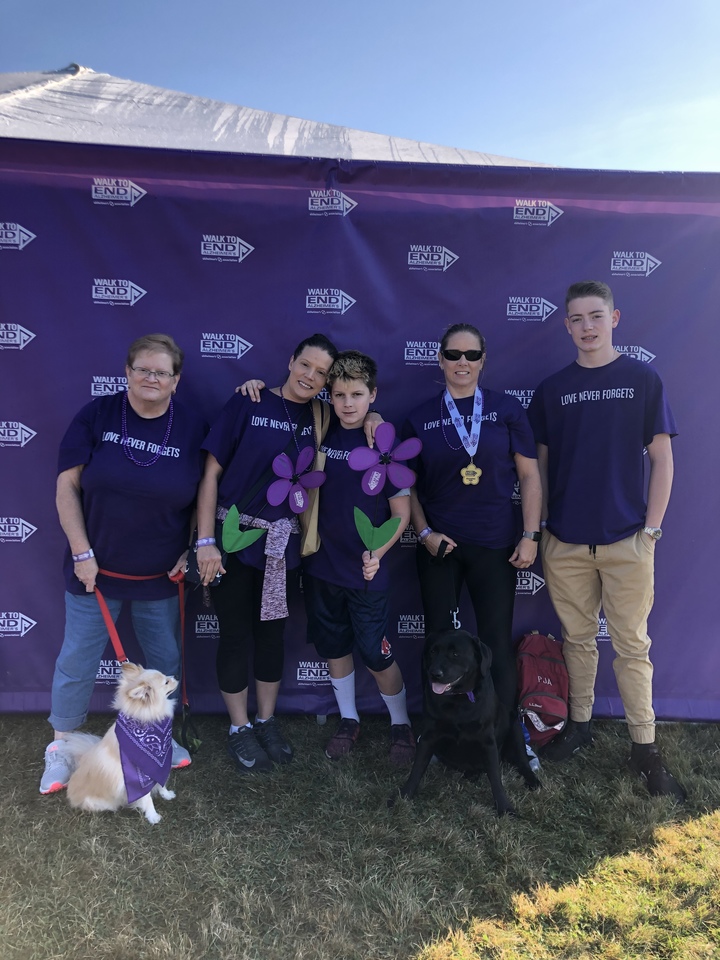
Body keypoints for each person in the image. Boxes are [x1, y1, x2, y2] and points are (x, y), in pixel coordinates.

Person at [527, 280, 685, 801]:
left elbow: (662, 459)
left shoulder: (643, 378)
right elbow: (539, 467)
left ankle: (645, 745)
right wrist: (545, 526)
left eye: (596, 316)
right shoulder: (552, 388)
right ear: (566, 325)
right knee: (576, 640)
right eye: (577, 318)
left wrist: (652, 531)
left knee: (631, 644)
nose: (587, 326)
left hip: (627, 541)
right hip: (566, 543)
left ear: (614, 319)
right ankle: (579, 724)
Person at [41, 334, 207, 795]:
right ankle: (61, 748)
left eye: (162, 372)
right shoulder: (96, 415)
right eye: (142, 369)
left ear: (176, 379)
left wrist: (190, 547)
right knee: (77, 660)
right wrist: (81, 551)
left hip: (161, 577)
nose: (151, 378)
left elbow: (205, 497)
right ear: (128, 372)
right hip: (94, 572)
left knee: (164, 661)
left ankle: (156, 738)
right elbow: (66, 487)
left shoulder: (193, 426)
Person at [196, 333, 340, 773]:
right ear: (291, 360)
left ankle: (266, 720)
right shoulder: (249, 401)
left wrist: (371, 416)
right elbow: (211, 476)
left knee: (272, 638)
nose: (310, 377)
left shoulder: (323, 415)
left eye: (321, 373)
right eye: (306, 366)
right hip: (234, 543)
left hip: (281, 549)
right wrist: (205, 542)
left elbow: (360, 416)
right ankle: (239, 727)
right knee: (235, 636)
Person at [403, 323, 542, 713]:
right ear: (440, 359)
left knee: (494, 641)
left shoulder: (507, 409)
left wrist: (530, 534)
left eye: (471, 355)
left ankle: (505, 733)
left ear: (484, 360)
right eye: (453, 354)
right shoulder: (419, 417)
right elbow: (405, 485)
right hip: (439, 547)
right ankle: (436, 730)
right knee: (438, 643)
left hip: (495, 545)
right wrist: (424, 531)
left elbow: (530, 475)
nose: (462, 362)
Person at [302, 351, 415, 762]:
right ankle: (348, 719)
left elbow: (401, 514)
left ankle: (401, 724)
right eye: (339, 394)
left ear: (373, 395)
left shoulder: (385, 441)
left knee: (375, 651)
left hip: (367, 571)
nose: (347, 403)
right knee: (334, 647)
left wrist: (378, 553)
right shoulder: (319, 430)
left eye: (357, 394)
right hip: (322, 565)